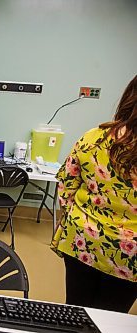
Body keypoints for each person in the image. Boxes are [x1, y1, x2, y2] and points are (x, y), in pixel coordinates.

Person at [51, 75, 137, 313]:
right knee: (111, 317)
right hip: (129, 252)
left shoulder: (95, 137)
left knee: (76, 311)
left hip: (82, 238)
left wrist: (78, 219)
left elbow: (66, 185)